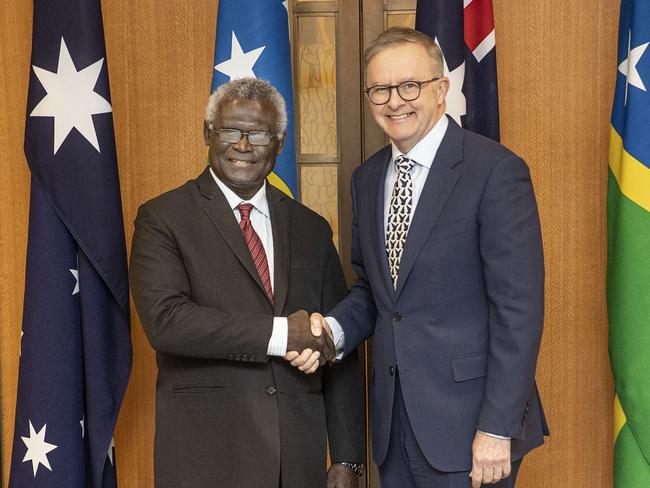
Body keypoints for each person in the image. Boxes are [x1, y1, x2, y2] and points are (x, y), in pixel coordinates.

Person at [289, 27, 548, 488]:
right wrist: (329, 331)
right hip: (394, 423)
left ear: (441, 88)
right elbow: (376, 289)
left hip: (471, 428)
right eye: (380, 90)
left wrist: (496, 427)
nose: (395, 101)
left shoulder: (495, 172)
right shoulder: (366, 179)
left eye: (410, 85)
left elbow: (519, 311)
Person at [129, 77, 364, 488]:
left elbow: (336, 347)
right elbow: (167, 322)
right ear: (208, 133)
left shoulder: (311, 228)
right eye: (230, 130)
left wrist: (347, 458)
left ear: (280, 141)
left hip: (298, 462)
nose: (243, 145)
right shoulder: (163, 218)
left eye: (258, 133)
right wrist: (281, 334)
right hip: (209, 459)